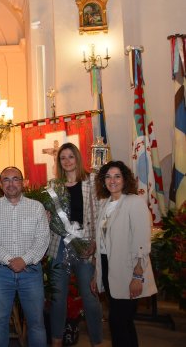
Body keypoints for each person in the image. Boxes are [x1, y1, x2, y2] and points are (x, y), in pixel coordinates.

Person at [92, 161, 157, 346]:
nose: (112, 180)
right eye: (108, 176)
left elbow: (142, 242)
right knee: (124, 322)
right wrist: (97, 273)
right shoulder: (105, 203)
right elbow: (102, 243)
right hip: (107, 266)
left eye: (117, 176)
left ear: (125, 179)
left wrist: (138, 275)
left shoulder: (134, 202)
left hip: (128, 269)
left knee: (117, 321)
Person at [0, 166, 50, 347]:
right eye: (6, 179)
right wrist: (10, 260)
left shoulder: (36, 208)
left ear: (23, 183)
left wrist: (24, 260)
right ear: (0, 184)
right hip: (1, 273)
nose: (11, 183)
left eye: (15, 179)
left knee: (36, 323)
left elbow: (43, 239)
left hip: (31, 273)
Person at [46, 143, 103, 347]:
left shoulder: (92, 181)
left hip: (85, 245)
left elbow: (98, 216)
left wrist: (95, 243)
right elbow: (50, 218)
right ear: (59, 162)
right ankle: (56, 342)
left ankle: (97, 341)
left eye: (71, 156)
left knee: (90, 297)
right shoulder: (53, 186)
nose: (67, 161)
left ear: (77, 158)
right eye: (63, 158)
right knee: (58, 299)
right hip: (60, 245)